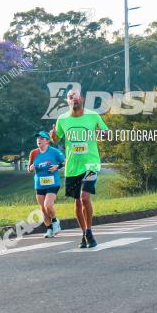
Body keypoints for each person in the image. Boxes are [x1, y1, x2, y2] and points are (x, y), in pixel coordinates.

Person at [50, 88, 110, 248]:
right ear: (67, 101)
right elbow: (57, 139)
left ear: (81, 99)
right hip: (72, 166)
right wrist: (53, 136)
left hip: (91, 164)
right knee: (77, 202)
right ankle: (84, 233)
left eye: (76, 97)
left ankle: (89, 231)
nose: (73, 100)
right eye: (70, 97)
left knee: (85, 197)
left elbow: (107, 134)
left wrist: (102, 134)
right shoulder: (62, 119)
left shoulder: (93, 116)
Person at [27, 131, 65, 237]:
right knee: (43, 209)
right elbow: (29, 168)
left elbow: (64, 162)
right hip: (39, 184)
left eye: (42, 138)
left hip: (53, 183)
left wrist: (57, 167)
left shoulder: (54, 152)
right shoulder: (33, 153)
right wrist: (31, 168)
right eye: (38, 138)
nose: (39, 140)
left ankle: (55, 221)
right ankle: (49, 229)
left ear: (47, 141)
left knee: (48, 205)